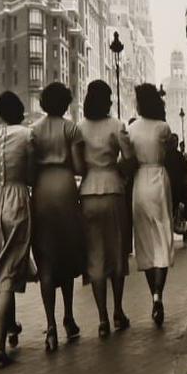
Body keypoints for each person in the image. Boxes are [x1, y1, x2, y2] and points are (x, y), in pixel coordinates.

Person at [0, 91, 37, 367]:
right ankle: (0, 346)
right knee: (8, 277)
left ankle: (11, 328)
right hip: (15, 202)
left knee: (2, 271)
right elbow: (32, 174)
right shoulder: (26, 136)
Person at [30, 82, 88, 351]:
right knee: (66, 253)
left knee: (46, 258)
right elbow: (78, 166)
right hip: (65, 188)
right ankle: (69, 317)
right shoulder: (71, 128)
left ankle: (50, 326)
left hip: (41, 192)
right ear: (66, 103)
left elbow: (29, 170)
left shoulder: (34, 131)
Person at [77, 80, 136, 336]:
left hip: (88, 193)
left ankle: (101, 318)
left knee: (96, 257)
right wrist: (119, 171)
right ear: (106, 100)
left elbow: (78, 166)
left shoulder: (79, 128)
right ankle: (118, 311)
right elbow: (130, 157)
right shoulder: (116, 125)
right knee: (117, 252)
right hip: (113, 191)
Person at [126, 83, 180, 328]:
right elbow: (169, 153)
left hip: (139, 183)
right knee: (162, 236)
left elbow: (125, 160)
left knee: (145, 241)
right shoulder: (163, 128)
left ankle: (152, 296)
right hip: (159, 181)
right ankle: (159, 294)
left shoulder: (131, 129)